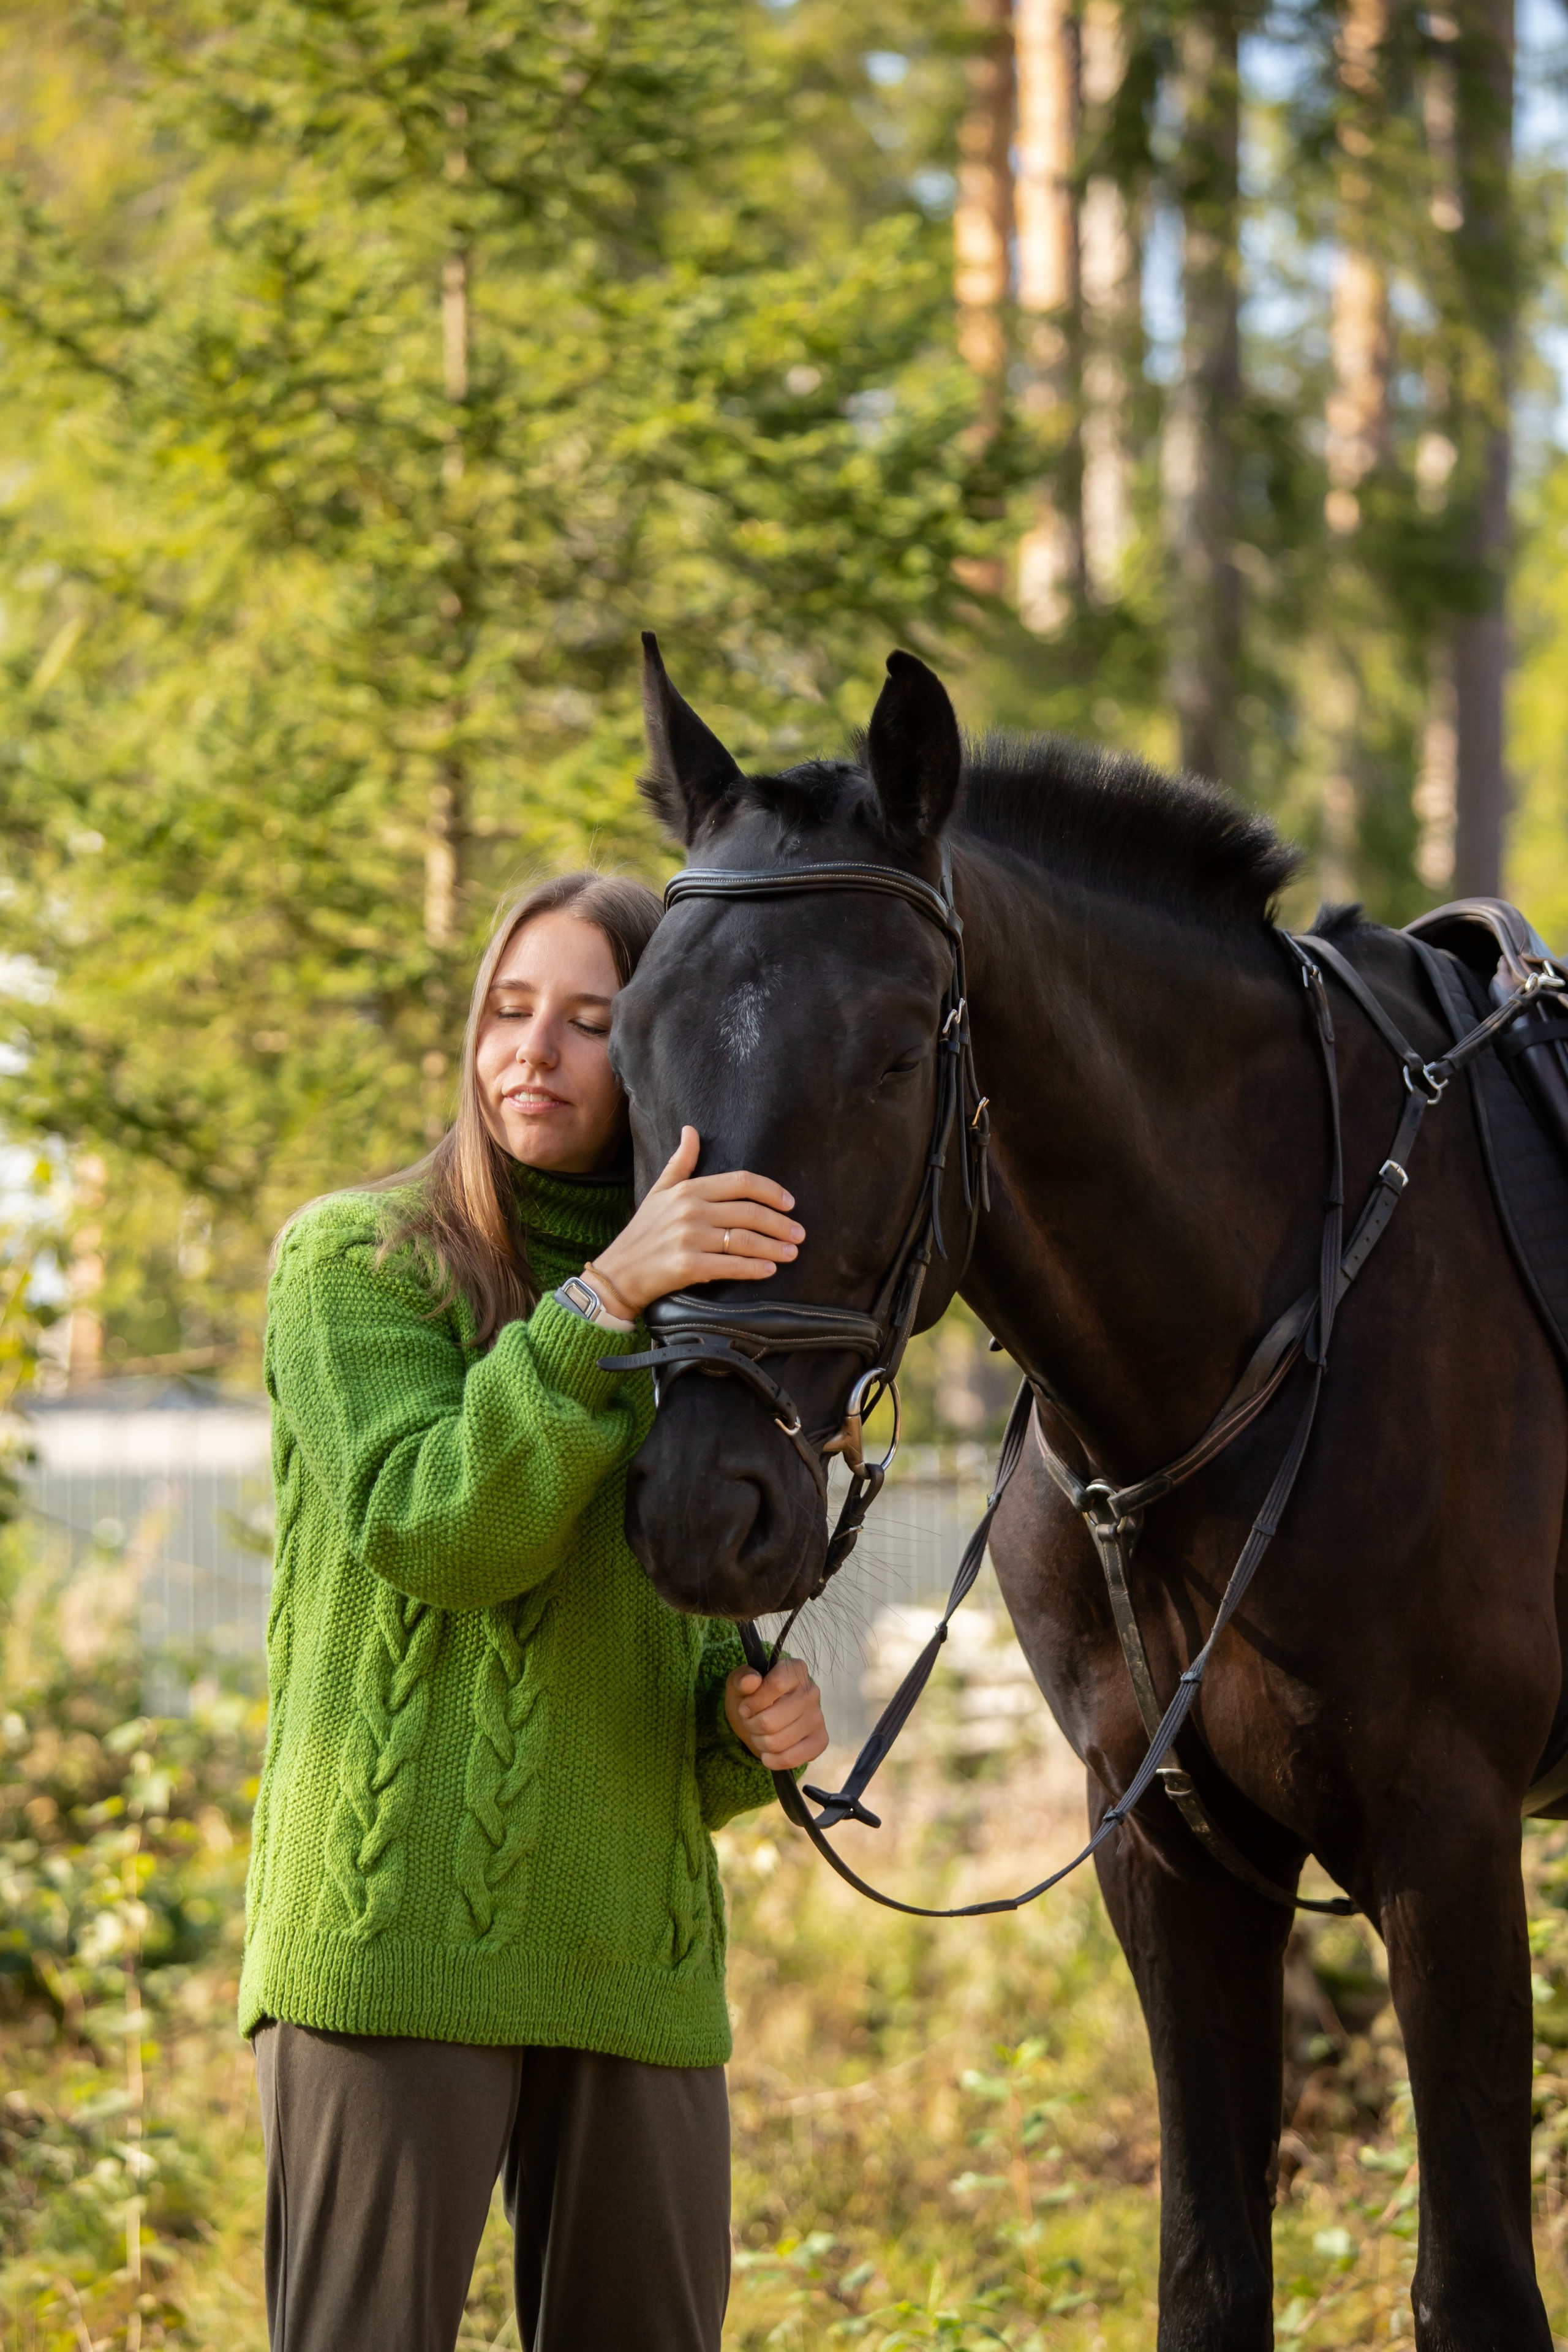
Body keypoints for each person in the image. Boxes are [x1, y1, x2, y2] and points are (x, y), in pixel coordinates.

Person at [242, 870, 830, 2352]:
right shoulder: (356, 1263)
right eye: (509, 1011)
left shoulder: (693, 1304)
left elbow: (652, 1671)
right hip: (390, 1946)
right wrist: (598, 1306)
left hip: (633, 1964)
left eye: (588, 1019)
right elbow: (435, 1530)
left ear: (652, 1048)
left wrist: (744, 1731)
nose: (533, 1053)